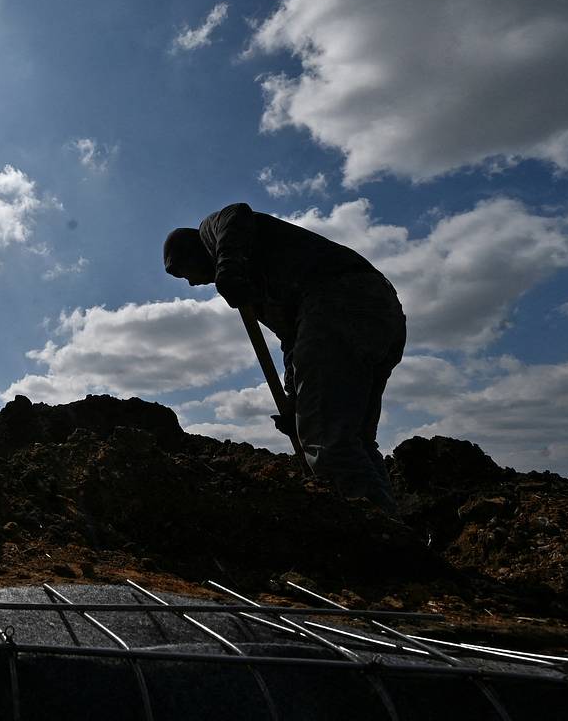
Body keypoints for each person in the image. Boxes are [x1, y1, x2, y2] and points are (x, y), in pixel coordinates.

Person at [163, 202, 404, 514]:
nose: (193, 284)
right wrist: (295, 404)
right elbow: (294, 341)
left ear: (192, 252)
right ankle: (394, 530)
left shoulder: (213, 231)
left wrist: (227, 266)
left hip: (339, 300)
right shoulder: (260, 284)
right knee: (353, 438)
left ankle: (378, 546)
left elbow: (236, 213)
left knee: (327, 443)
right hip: (378, 311)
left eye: (185, 274)